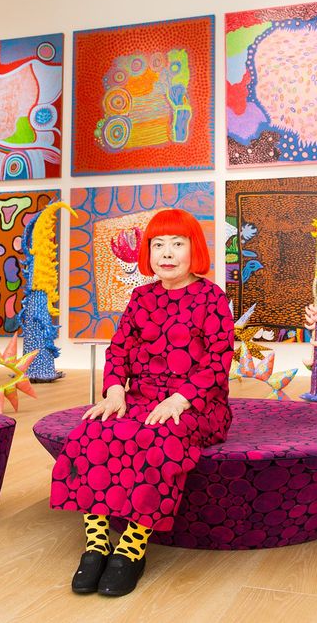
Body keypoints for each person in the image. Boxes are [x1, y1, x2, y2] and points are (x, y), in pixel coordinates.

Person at [49, 208, 234, 597]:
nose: (167, 253)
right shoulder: (141, 297)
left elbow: (217, 362)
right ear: (147, 253)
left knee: (157, 441)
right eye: (158, 245)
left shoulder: (212, 298)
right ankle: (97, 544)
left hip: (196, 404)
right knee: (92, 431)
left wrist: (180, 400)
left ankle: (132, 548)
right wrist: (115, 390)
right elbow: (119, 350)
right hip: (140, 396)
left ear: (194, 250)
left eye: (177, 244)